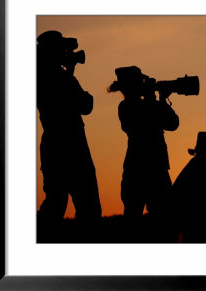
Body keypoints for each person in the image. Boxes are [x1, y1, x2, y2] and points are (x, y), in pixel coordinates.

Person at [37, 30, 102, 225]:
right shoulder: (56, 77)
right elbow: (85, 105)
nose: (66, 53)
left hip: (57, 148)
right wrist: (70, 72)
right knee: (83, 209)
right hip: (71, 149)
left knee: (56, 205)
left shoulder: (46, 76)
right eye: (62, 49)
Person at [108, 66, 179, 220]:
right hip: (138, 173)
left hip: (156, 170)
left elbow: (173, 124)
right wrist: (152, 98)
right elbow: (142, 120)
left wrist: (161, 100)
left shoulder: (149, 105)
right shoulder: (126, 107)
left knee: (165, 220)